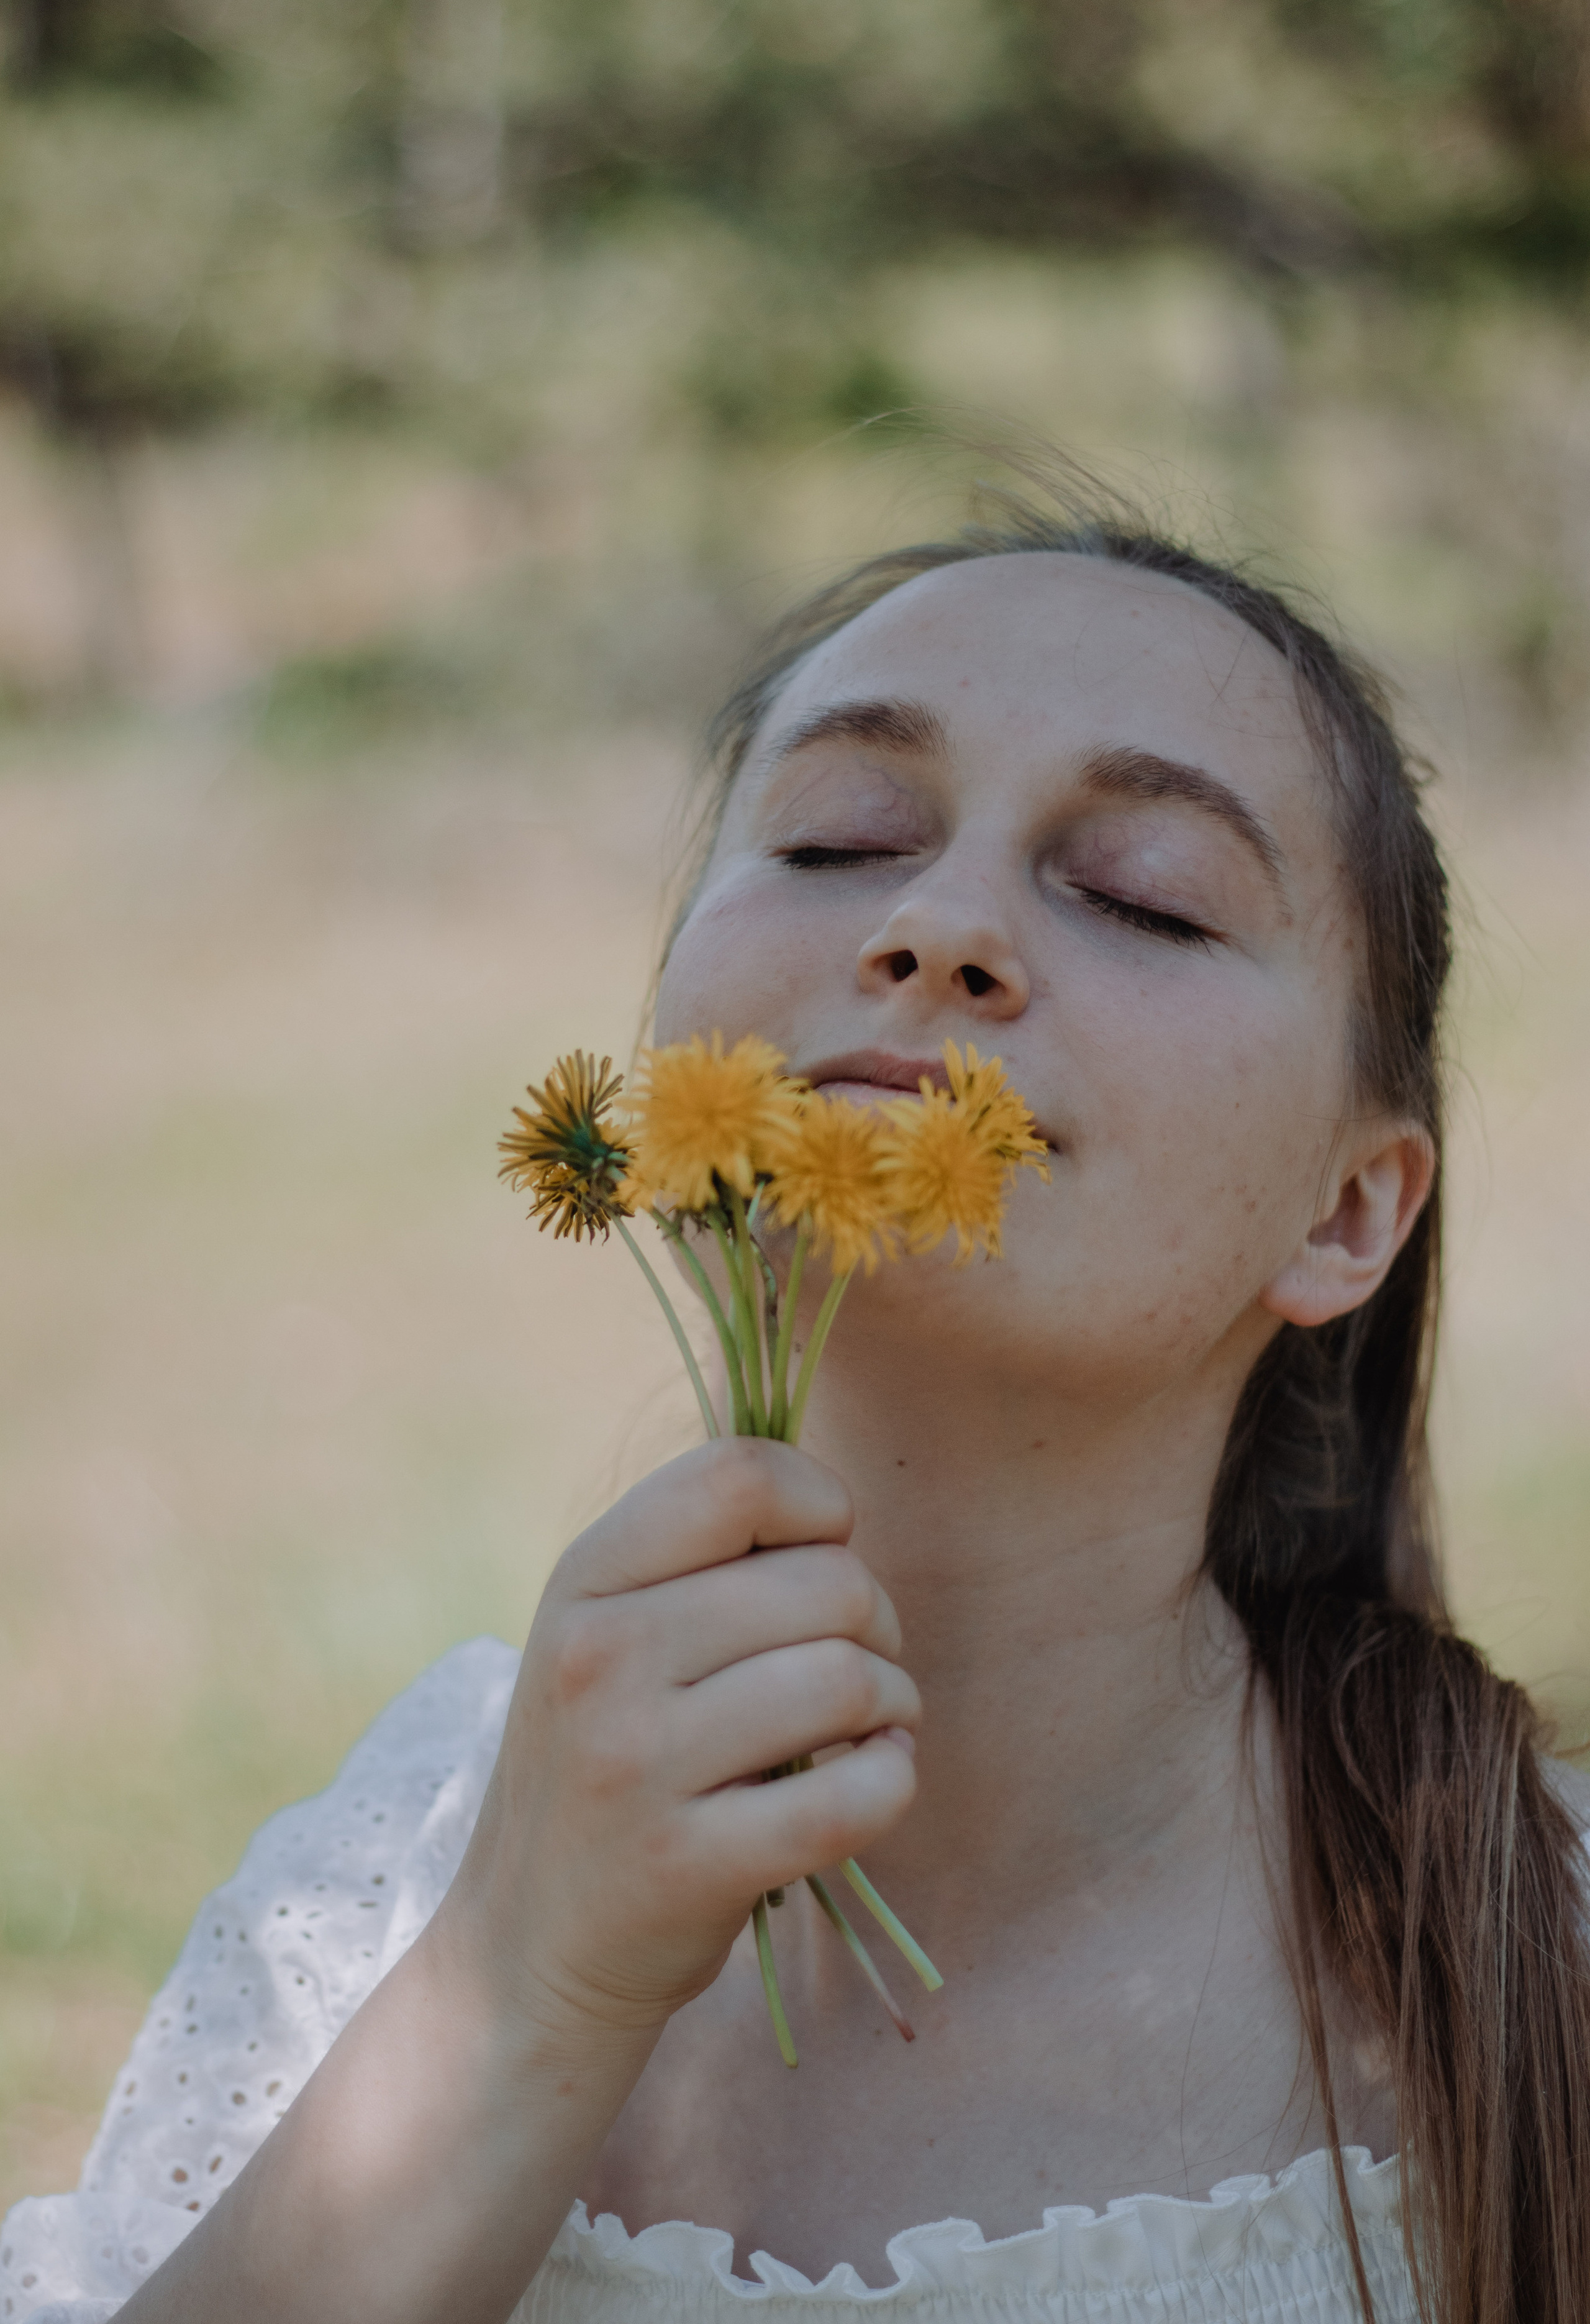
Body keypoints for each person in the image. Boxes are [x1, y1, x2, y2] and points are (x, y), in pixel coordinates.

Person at [6, 481, 1589, 2324]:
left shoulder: (1532, 1974)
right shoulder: (388, 1890)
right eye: (838, 840)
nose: (939, 922)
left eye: (1141, 894)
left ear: (1347, 1213)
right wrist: (513, 2002)